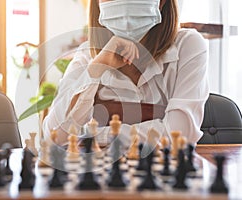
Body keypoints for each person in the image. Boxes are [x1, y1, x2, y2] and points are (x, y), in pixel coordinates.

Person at [43, 0, 209, 146]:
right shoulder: (88, 55)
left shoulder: (188, 45)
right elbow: (54, 135)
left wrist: (93, 135)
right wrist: (99, 66)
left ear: (162, 2)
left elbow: (180, 134)